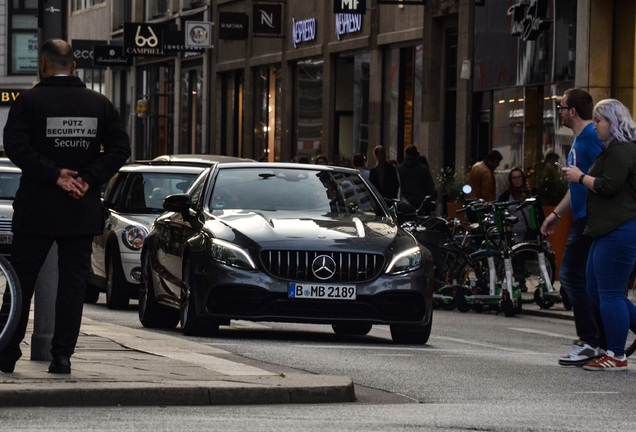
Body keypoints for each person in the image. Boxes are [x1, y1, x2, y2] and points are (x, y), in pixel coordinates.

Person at [0, 39, 131, 374]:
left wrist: (55, 175)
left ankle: (5, 351)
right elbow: (119, 149)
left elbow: (15, 146)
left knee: (20, 282)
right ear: (74, 66)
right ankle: (62, 356)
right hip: (80, 210)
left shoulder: (28, 102)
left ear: (42, 66)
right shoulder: (99, 104)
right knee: (72, 286)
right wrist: (87, 179)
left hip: (36, 210)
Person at [560, 99, 636, 371]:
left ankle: (616, 355)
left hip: (619, 229)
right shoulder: (612, 149)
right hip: (605, 229)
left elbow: (608, 186)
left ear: (613, 123)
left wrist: (580, 177)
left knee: (609, 293)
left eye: (599, 121)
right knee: (595, 289)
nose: (596, 126)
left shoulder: (622, 150)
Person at [540, 88, 604, 367]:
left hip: (591, 220)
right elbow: (578, 183)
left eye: (562, 107)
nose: (560, 112)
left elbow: (601, 180)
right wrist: (557, 213)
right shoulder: (582, 139)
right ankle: (597, 340)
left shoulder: (591, 138)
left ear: (573, 112)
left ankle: (589, 341)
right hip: (582, 217)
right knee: (588, 281)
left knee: (570, 276)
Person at [498, 167, 540, 242]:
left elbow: (539, 211)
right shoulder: (506, 196)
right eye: (514, 178)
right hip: (515, 236)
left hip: (532, 233)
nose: (517, 180)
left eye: (519, 177)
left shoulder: (532, 192)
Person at [398, 145, 436, 212]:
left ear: (405, 155)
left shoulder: (399, 169)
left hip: (405, 205)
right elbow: (431, 189)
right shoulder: (424, 169)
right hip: (421, 205)